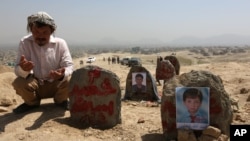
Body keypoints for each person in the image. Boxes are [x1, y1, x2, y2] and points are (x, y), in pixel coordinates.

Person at [12, 11, 74, 114]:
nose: (40, 36)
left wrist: (61, 75)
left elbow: (69, 66)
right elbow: (17, 71)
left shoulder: (60, 43)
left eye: (45, 32)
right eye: (36, 32)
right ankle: (31, 103)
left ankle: (61, 101)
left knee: (71, 78)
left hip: (55, 84)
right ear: (31, 30)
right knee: (19, 82)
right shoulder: (25, 42)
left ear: (52, 31)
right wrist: (23, 69)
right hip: (36, 85)